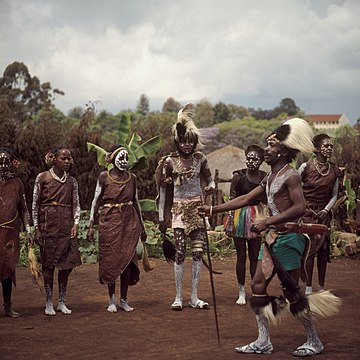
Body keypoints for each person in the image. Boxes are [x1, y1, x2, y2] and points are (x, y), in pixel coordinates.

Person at [198, 118, 341, 357]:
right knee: (257, 285)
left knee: (291, 291)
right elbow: (246, 199)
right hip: (273, 239)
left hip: (289, 239)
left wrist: (268, 221)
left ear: (282, 151)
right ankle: (263, 341)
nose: (266, 149)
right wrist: (213, 210)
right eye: (267, 144)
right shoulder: (270, 177)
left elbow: (299, 207)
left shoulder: (291, 175)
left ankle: (314, 340)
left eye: (271, 145)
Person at [156, 103, 215, 311]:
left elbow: (210, 180)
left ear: (194, 142)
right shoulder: (170, 162)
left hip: (197, 210)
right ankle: (179, 297)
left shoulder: (201, 159)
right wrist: (161, 216)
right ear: (178, 141)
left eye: (190, 142)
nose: (187, 146)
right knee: (180, 251)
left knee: (197, 252)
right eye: (183, 141)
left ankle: (195, 297)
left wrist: (210, 189)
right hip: (179, 211)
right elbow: (163, 191)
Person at [87, 145, 146, 313]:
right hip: (109, 221)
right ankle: (111, 300)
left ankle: (124, 300)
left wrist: (142, 227)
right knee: (111, 260)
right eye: (121, 158)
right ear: (112, 159)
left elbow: (136, 202)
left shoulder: (132, 178)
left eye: (126, 158)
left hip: (129, 222)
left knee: (127, 261)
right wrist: (91, 224)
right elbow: (96, 200)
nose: (124, 161)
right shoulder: (104, 177)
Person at [32, 147, 81, 316]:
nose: (67, 161)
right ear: (54, 159)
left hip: (66, 227)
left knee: (66, 266)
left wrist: (75, 224)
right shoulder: (43, 177)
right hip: (48, 227)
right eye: (63, 158)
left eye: (69, 159)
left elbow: (76, 204)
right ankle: (48, 302)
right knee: (48, 266)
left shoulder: (72, 181)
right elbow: (35, 205)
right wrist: (36, 228)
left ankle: (61, 301)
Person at [298, 134, 340, 295]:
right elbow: (295, 187)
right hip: (306, 212)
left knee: (323, 249)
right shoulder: (305, 167)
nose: (329, 148)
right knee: (309, 250)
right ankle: (308, 287)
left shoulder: (335, 171)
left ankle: (321, 287)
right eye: (326, 146)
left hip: (323, 214)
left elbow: (334, 195)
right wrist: (302, 207)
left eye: (331, 146)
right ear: (317, 149)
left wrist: (325, 210)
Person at [225, 145, 267, 305]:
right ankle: (241, 291)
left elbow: (267, 199)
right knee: (241, 256)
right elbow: (231, 199)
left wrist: (266, 219)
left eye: (255, 159)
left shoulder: (265, 177)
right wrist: (230, 221)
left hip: (257, 217)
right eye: (248, 158)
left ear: (261, 161)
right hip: (238, 217)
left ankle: (254, 288)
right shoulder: (238, 176)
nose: (251, 161)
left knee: (255, 256)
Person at [0, 148, 32, 317]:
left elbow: (23, 209)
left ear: (12, 164)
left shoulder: (17, 183)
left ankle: (7, 306)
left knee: (8, 268)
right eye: (0, 162)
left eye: (6, 162)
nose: (3, 165)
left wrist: (28, 230)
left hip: (10, 234)